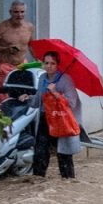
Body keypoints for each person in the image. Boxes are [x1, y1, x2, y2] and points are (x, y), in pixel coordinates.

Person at [23, 51, 81, 179]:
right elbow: (39, 98)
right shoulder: (42, 78)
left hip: (61, 120)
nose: (49, 66)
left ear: (58, 65)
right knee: (40, 151)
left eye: (52, 63)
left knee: (63, 153)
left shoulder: (65, 80)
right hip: (46, 118)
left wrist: (55, 93)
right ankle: (38, 178)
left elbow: (72, 102)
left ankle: (68, 179)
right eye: (46, 63)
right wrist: (28, 98)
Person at [0, 1, 35, 92]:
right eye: (16, 12)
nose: (19, 15)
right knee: (3, 97)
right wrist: (6, 49)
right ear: (10, 12)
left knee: (22, 94)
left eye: (22, 12)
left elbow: (31, 46)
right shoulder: (2, 27)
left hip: (22, 66)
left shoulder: (29, 27)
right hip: (5, 66)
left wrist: (39, 61)